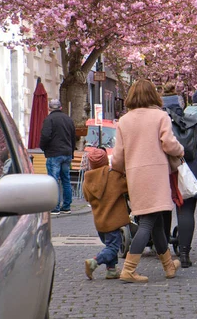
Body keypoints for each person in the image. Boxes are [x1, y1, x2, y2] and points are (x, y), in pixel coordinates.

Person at [111, 79, 183, 283]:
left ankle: (169, 266)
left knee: (156, 222)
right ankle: (129, 269)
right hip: (156, 175)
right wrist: (181, 150)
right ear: (153, 95)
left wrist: (118, 170)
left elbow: (117, 156)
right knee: (148, 221)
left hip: (135, 175)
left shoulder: (124, 121)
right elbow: (169, 144)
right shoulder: (160, 116)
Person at [162, 84, 197, 268]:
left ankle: (164, 252)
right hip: (190, 170)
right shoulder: (193, 120)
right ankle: (184, 254)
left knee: (163, 211)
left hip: (165, 170)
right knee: (186, 211)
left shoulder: (159, 122)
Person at [83, 148, 129, 280]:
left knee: (109, 245)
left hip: (100, 222)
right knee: (113, 247)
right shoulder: (113, 176)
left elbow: (87, 198)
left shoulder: (87, 181)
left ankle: (112, 270)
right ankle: (94, 262)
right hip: (113, 221)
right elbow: (126, 186)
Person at [40, 98, 76, 215]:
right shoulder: (68, 120)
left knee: (53, 180)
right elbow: (73, 137)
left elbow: (45, 136)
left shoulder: (49, 119)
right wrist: (71, 152)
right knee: (66, 179)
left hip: (54, 153)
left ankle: (55, 207)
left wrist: (43, 148)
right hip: (67, 153)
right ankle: (66, 206)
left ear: (49, 108)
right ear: (61, 107)